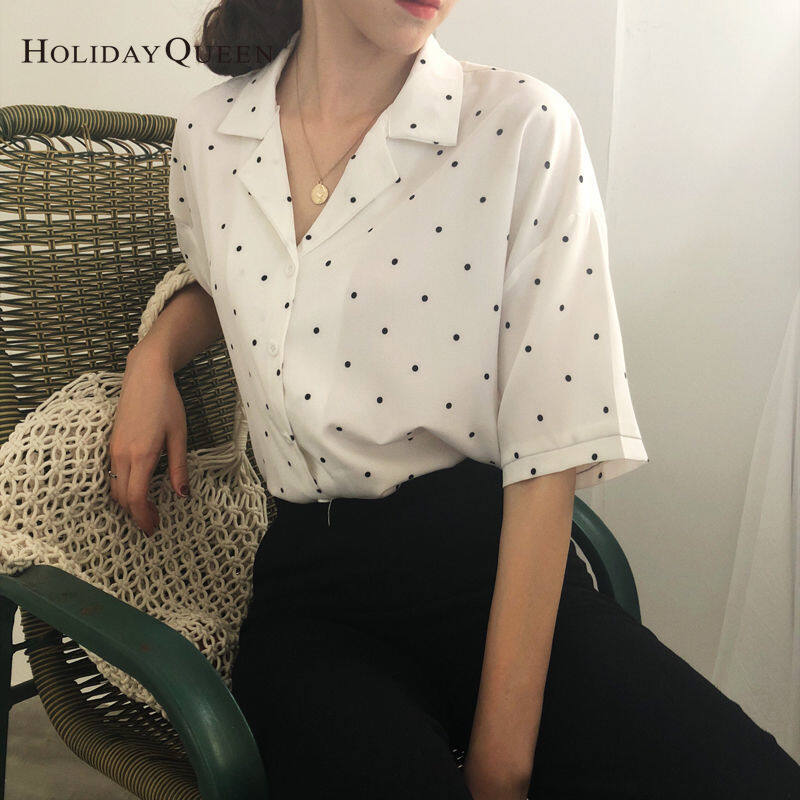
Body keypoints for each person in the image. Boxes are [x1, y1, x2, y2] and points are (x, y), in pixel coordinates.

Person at [110, 0, 800, 798]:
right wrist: (153, 357)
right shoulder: (210, 135)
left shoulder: (521, 126)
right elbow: (226, 279)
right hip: (315, 603)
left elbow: (549, 449)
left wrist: (501, 769)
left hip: (499, 569)